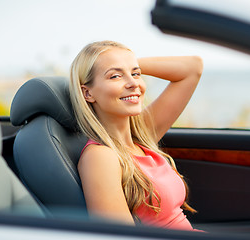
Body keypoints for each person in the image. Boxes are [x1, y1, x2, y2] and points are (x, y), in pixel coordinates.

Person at [69, 40, 203, 231]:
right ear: (88, 93)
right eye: (115, 76)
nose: (133, 84)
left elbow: (193, 67)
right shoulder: (100, 157)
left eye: (136, 74)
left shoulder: (140, 137)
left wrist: (123, 63)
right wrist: (121, 65)